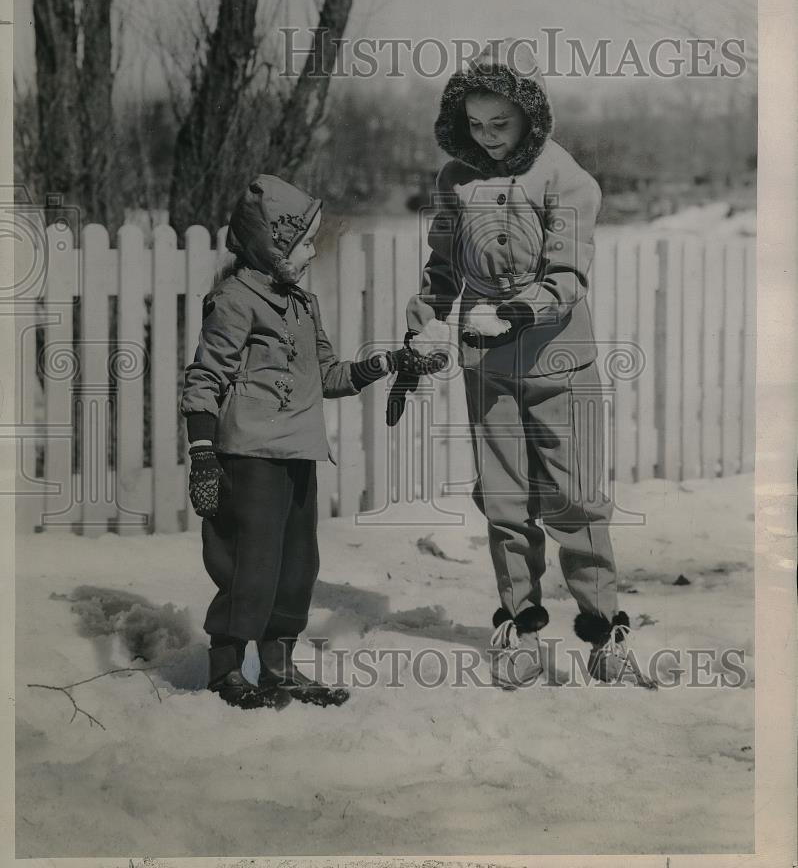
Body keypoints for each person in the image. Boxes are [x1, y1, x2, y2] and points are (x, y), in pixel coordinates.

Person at [405, 39, 656, 689]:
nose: (486, 138)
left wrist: (517, 312)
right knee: (503, 500)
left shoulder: (567, 178)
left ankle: (606, 629)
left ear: (529, 116)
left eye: (501, 124)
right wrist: (430, 319)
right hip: (486, 368)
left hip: (558, 360)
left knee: (574, 500)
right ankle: (520, 623)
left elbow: (568, 278)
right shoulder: (454, 179)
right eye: (476, 125)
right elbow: (441, 268)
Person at [181, 175, 403, 709]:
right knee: (248, 565)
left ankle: (279, 667)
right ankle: (227, 671)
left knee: (297, 566)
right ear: (271, 242)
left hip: (300, 452)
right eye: (304, 241)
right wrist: (203, 454)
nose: (311, 251)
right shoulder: (234, 301)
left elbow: (327, 374)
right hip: (249, 456)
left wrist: (378, 365)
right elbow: (204, 378)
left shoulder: (302, 302)